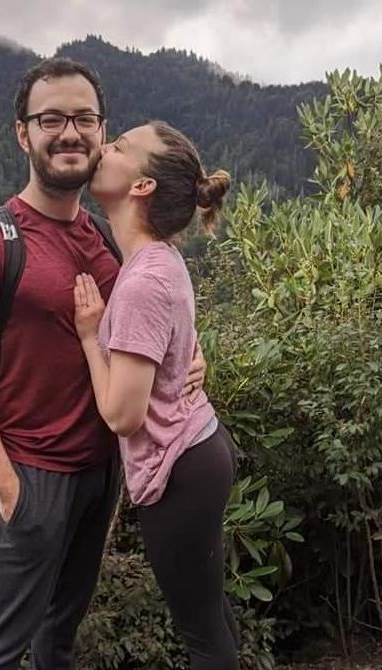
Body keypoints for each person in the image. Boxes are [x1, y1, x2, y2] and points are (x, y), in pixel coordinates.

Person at [0, 58, 206, 670]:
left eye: (85, 118)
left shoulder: (105, 239)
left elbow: (152, 322)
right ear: (23, 133)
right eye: (51, 118)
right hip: (31, 473)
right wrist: (6, 487)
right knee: (4, 645)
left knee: (59, 638)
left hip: (101, 471)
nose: (70, 132)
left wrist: (195, 360)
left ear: (101, 129)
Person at [73, 121, 239, 670]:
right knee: (210, 617)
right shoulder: (156, 260)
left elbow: (123, 413)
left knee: (200, 634)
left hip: (178, 467)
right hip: (197, 450)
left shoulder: (145, 278)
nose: (104, 147)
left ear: (141, 186)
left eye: (119, 146)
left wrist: (91, 335)